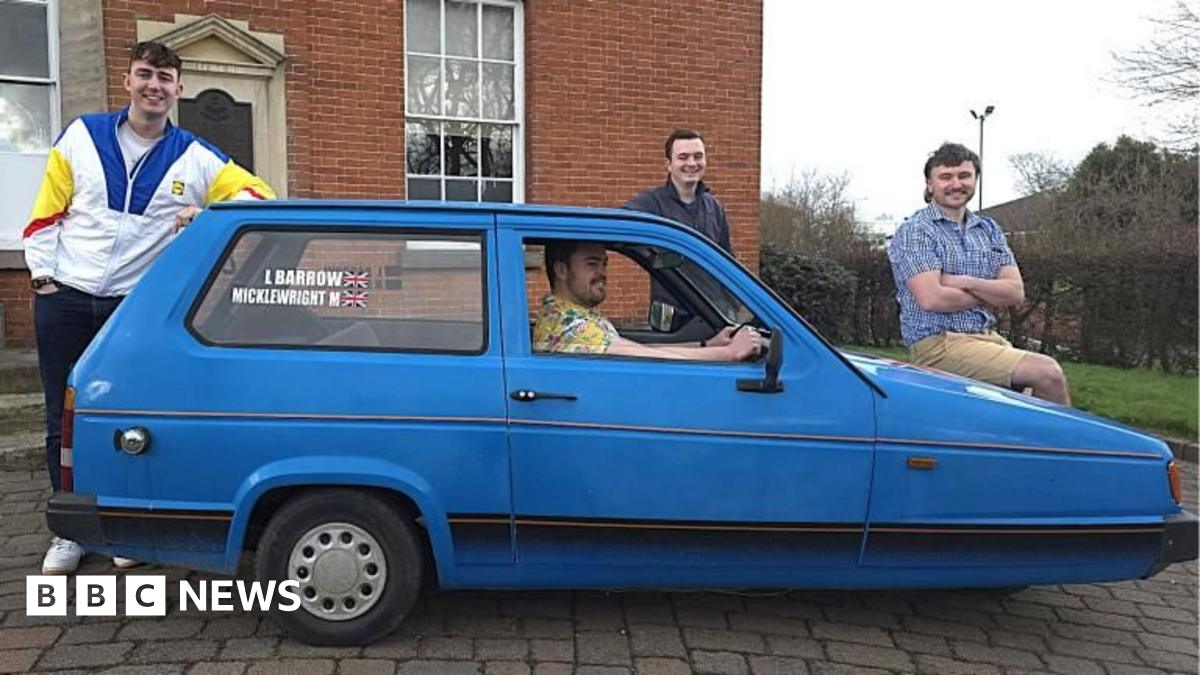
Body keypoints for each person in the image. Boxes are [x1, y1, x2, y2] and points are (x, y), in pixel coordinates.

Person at [24, 41, 275, 575]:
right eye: (145, 75)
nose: (153, 86)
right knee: (59, 417)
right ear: (128, 80)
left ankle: (122, 528)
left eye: (164, 78)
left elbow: (259, 195)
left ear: (178, 89)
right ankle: (68, 533)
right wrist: (43, 279)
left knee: (127, 420)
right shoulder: (82, 136)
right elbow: (48, 213)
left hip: (130, 310)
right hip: (66, 295)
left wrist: (205, 213)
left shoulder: (196, 154)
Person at [887, 142, 1069, 404]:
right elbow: (933, 299)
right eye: (945, 177)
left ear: (975, 180)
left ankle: (1016, 446)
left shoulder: (988, 229)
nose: (956, 184)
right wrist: (990, 292)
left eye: (964, 176)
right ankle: (1068, 446)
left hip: (985, 338)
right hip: (938, 344)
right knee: (1047, 374)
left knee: (1030, 397)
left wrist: (965, 282)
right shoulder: (916, 231)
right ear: (930, 184)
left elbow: (1016, 292)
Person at [533, 240, 761, 361]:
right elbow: (649, 357)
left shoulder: (571, 315)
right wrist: (729, 353)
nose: (603, 272)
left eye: (604, 264)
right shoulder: (570, 326)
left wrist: (707, 345)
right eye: (592, 264)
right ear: (562, 270)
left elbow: (635, 349)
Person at [624, 129, 733, 253]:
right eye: (683, 157)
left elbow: (727, 258)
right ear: (669, 164)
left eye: (698, 156)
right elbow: (614, 226)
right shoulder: (650, 204)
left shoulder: (714, 207)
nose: (692, 163)